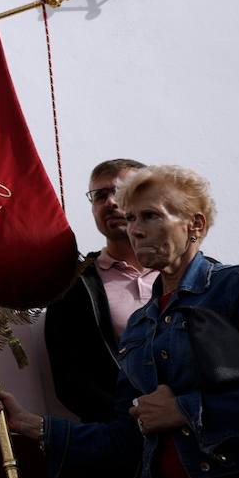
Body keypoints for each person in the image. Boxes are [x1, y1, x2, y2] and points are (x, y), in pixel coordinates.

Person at [0, 165, 239, 478]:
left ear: (195, 224)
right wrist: (33, 425)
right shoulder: (140, 326)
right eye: (131, 219)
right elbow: (125, 438)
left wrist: (185, 410)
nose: (136, 230)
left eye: (150, 216)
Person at [44, 158, 155, 423]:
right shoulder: (74, 283)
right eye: (100, 195)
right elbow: (69, 379)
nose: (111, 202)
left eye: (122, 191)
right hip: (121, 443)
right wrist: (132, 421)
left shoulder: (195, 275)